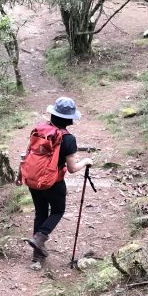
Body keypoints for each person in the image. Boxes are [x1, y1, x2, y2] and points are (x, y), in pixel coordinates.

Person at [19, 96, 92, 266]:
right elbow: (73, 168)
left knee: (40, 213)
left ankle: (37, 256)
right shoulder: (68, 139)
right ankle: (40, 237)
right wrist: (86, 161)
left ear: (53, 115)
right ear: (69, 120)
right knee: (58, 211)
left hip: (33, 179)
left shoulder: (39, 130)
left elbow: (28, 154)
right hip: (53, 182)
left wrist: (19, 175)